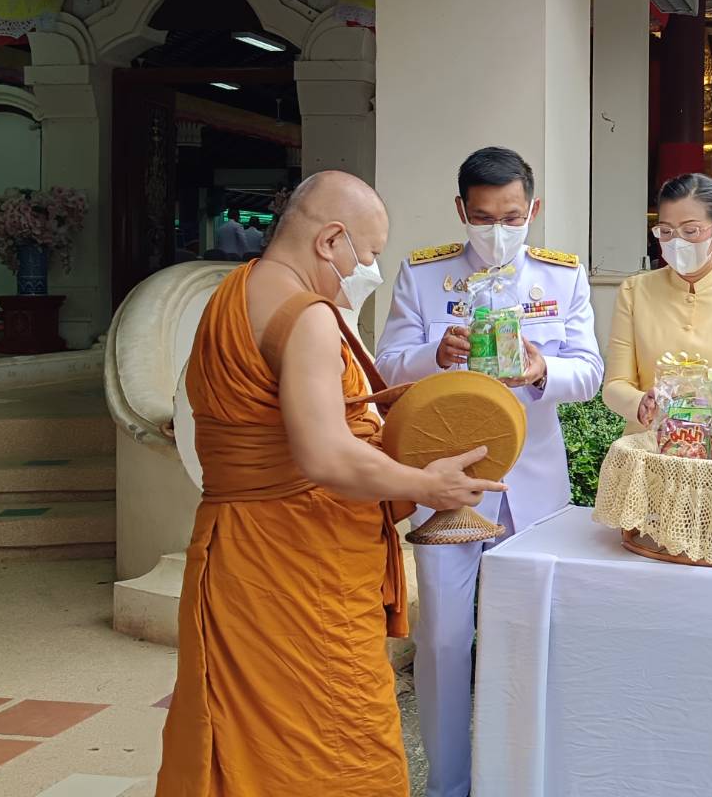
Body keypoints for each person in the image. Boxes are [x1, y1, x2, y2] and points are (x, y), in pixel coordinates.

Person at [156, 171, 504, 797]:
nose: (366, 270)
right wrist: (427, 484)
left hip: (236, 550)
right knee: (335, 738)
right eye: (367, 255)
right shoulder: (308, 317)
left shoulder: (233, 293)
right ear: (331, 240)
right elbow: (323, 453)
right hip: (302, 560)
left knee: (246, 733)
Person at [375, 146, 603, 797]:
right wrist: (431, 354)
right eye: (483, 217)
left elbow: (588, 373)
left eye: (510, 215)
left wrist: (540, 371)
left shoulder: (562, 278)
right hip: (444, 484)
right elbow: (386, 365)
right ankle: (449, 785)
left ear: (533, 210)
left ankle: (524, 778)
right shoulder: (424, 276)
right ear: (461, 212)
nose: (497, 230)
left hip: (531, 486)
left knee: (530, 637)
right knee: (445, 642)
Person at [604, 172, 712, 431]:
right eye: (666, 231)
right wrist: (639, 402)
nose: (677, 242)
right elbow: (615, 385)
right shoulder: (635, 291)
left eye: (691, 231)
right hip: (649, 449)